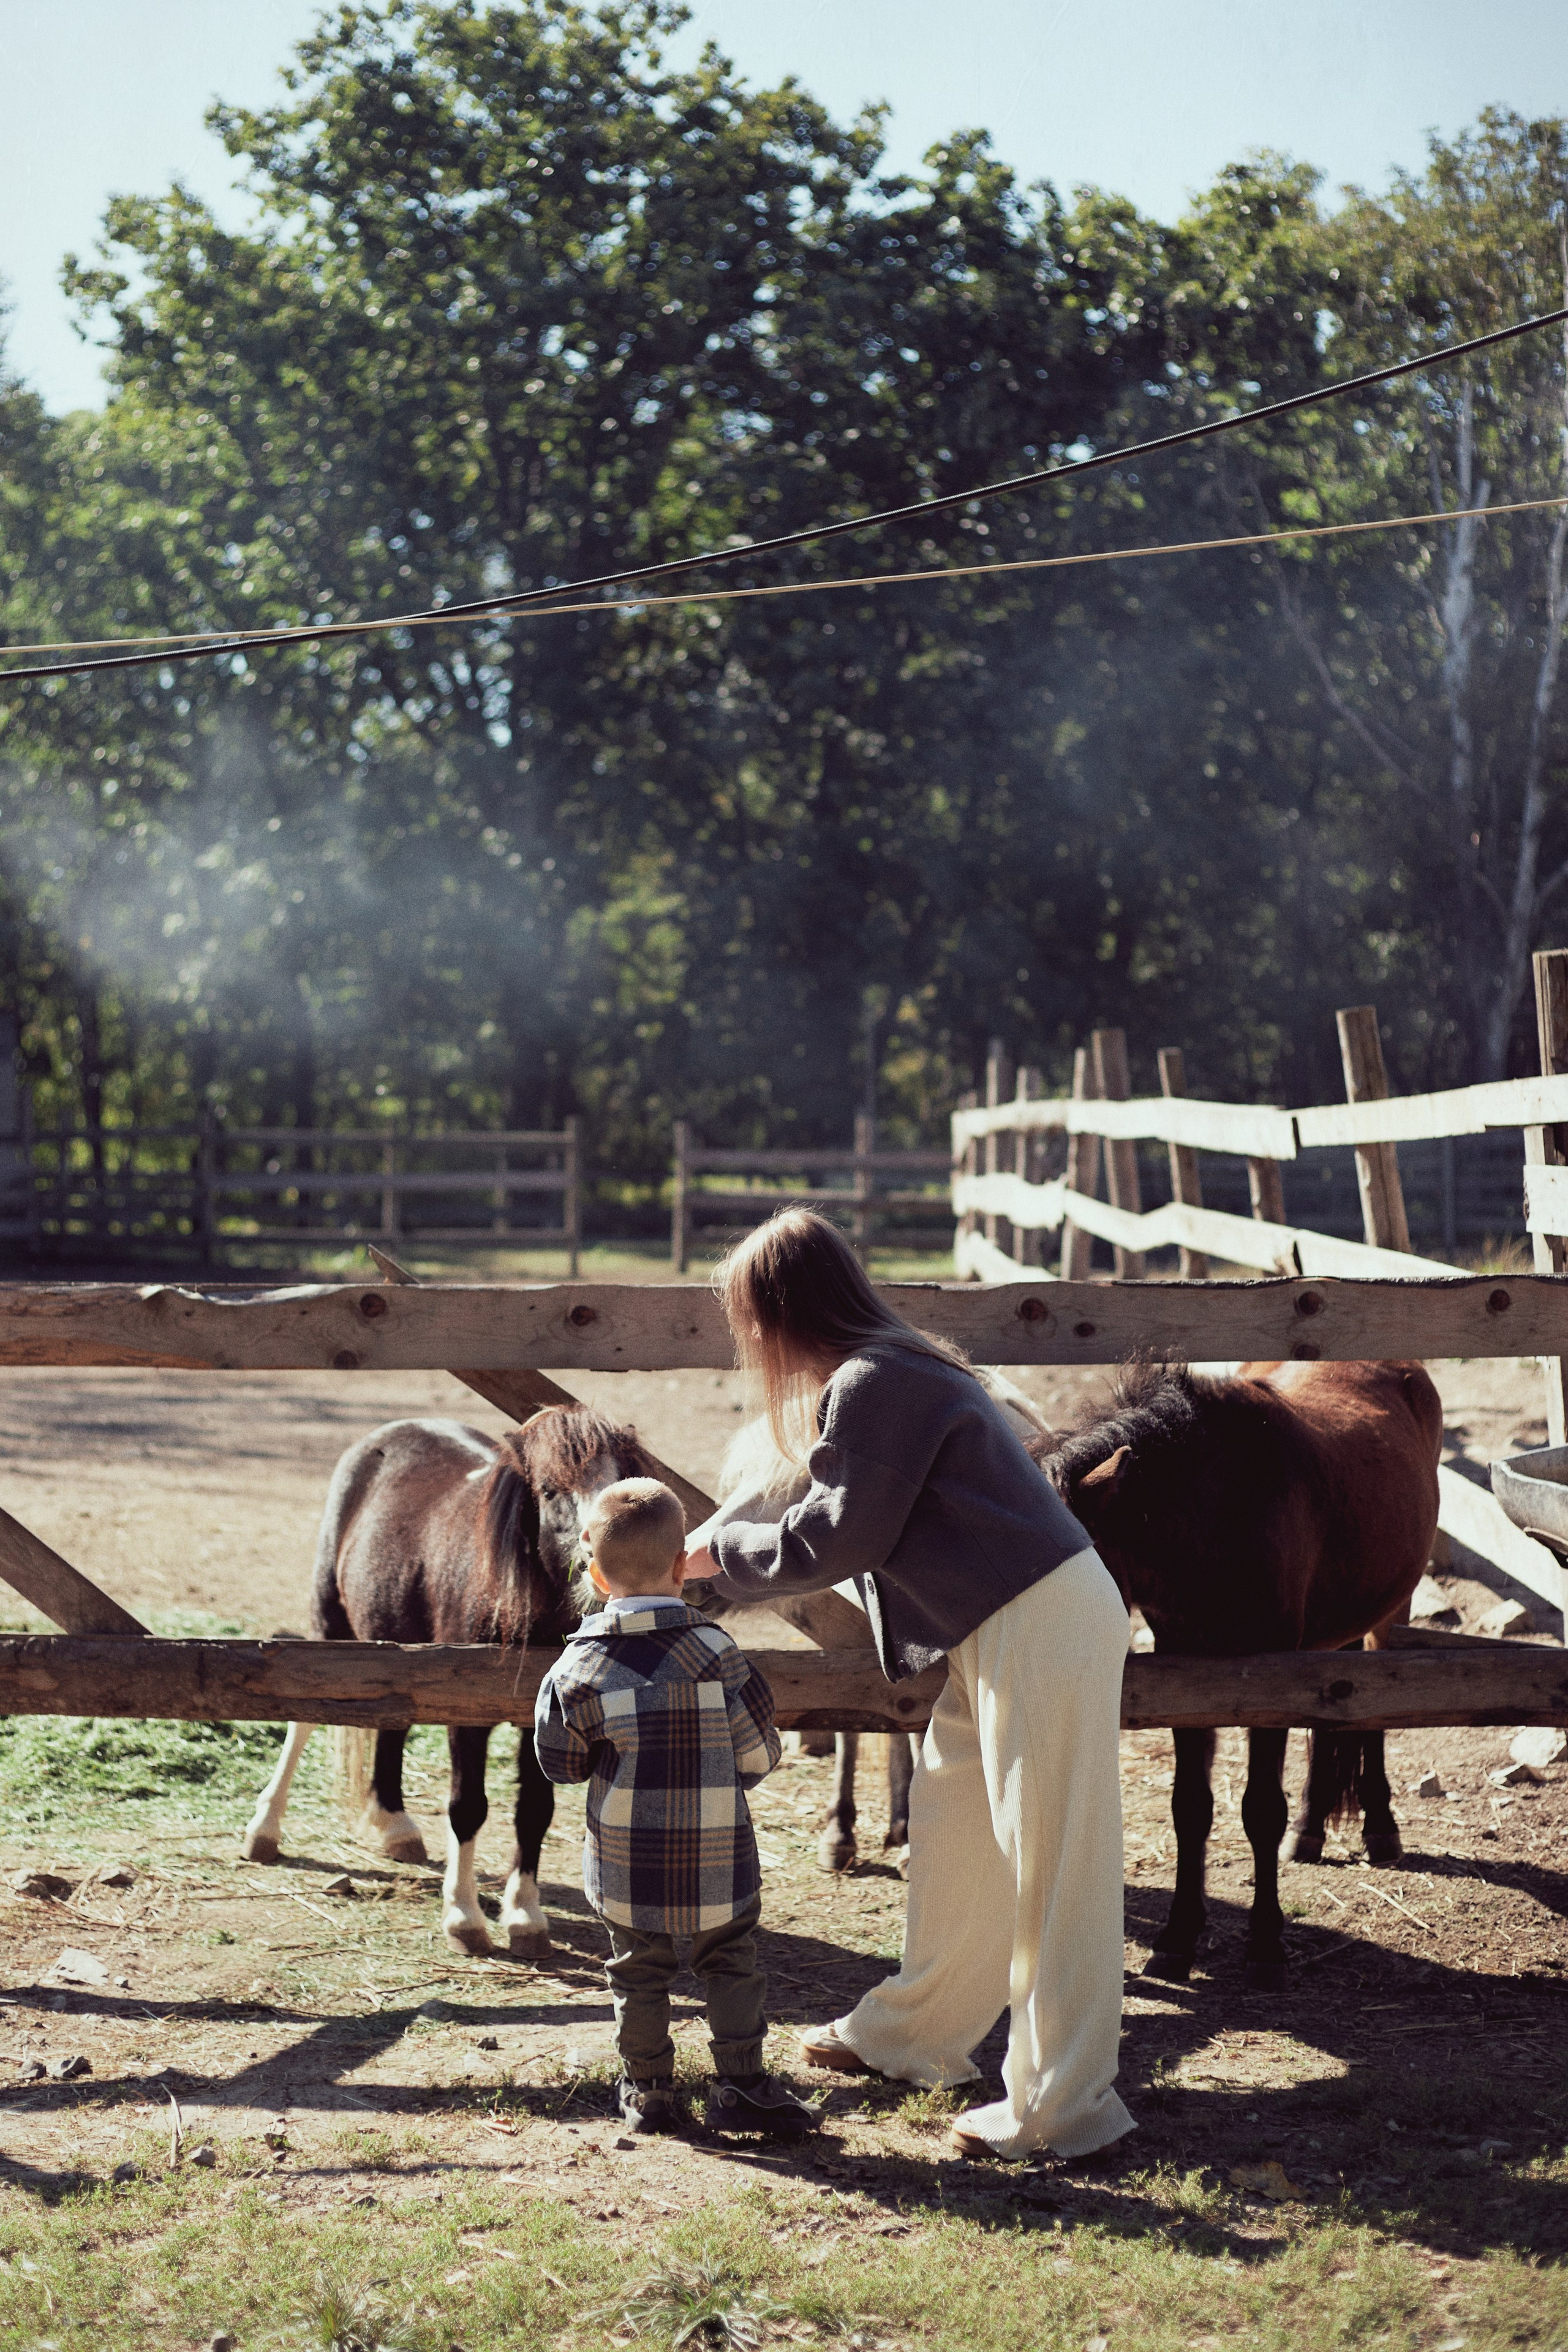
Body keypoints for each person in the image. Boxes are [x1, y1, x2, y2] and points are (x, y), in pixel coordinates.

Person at [684, 1208, 1134, 2165]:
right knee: (954, 1826)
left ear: (783, 1310)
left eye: (750, 1321)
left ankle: (1065, 2107)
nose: (750, 1344)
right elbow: (832, 1508)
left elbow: (839, 1538)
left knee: (1055, 1859)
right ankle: (915, 2034)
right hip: (1001, 1620)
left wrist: (709, 1552)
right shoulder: (889, 1371)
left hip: (1037, 1617)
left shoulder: (874, 1381)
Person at [533, 1475, 819, 2139]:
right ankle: (743, 2083)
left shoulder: (575, 1671)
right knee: (732, 1963)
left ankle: (649, 2090)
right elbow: (757, 1756)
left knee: (638, 1972)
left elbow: (562, 1767)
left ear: (595, 1574)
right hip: (720, 1860)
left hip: (626, 1870)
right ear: (681, 1564)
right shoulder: (717, 1654)